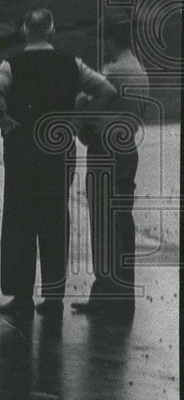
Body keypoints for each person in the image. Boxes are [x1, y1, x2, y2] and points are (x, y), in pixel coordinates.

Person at [0, 8, 115, 317]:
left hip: (23, 148)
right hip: (58, 148)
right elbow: (107, 90)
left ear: (25, 32)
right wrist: (76, 120)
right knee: (55, 219)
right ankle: (53, 299)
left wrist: (3, 119)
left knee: (20, 219)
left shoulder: (12, 64)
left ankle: (22, 296)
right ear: (52, 32)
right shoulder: (72, 64)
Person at [71, 17, 149, 316]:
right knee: (122, 224)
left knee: (103, 223)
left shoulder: (112, 71)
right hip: (127, 147)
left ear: (112, 40)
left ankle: (104, 295)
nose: (101, 46)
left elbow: (85, 102)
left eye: (104, 41)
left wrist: (79, 113)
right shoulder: (140, 70)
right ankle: (122, 296)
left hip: (105, 150)